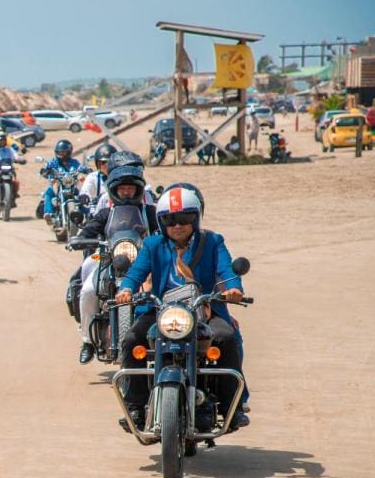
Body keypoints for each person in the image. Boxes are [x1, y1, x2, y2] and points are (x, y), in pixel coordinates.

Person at [113, 186, 247, 431]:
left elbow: (226, 270)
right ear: (162, 222)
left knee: (226, 338)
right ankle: (135, 404)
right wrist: (126, 289)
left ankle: (232, 408)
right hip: (163, 310)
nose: (177, 225)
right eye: (169, 220)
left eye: (184, 218)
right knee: (132, 339)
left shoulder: (213, 241)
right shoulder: (153, 244)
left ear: (195, 218)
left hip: (203, 308)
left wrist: (233, 288)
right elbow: (137, 272)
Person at [72, 163, 159, 364]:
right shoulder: (106, 213)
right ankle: (86, 340)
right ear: (115, 190)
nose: (127, 192)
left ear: (138, 190)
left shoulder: (150, 212)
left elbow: (164, 231)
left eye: (131, 188)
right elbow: (89, 230)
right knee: (87, 291)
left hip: (142, 261)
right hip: (109, 260)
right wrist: (81, 239)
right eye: (122, 189)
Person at [39, 139, 88, 220]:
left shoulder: (74, 162)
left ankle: (87, 214)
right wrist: (45, 171)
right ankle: (48, 213)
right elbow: (47, 168)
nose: (61, 154)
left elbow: (80, 167)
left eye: (63, 152)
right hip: (57, 185)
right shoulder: (54, 162)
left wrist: (86, 169)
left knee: (81, 195)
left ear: (69, 152)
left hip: (71, 185)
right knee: (48, 192)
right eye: (59, 152)